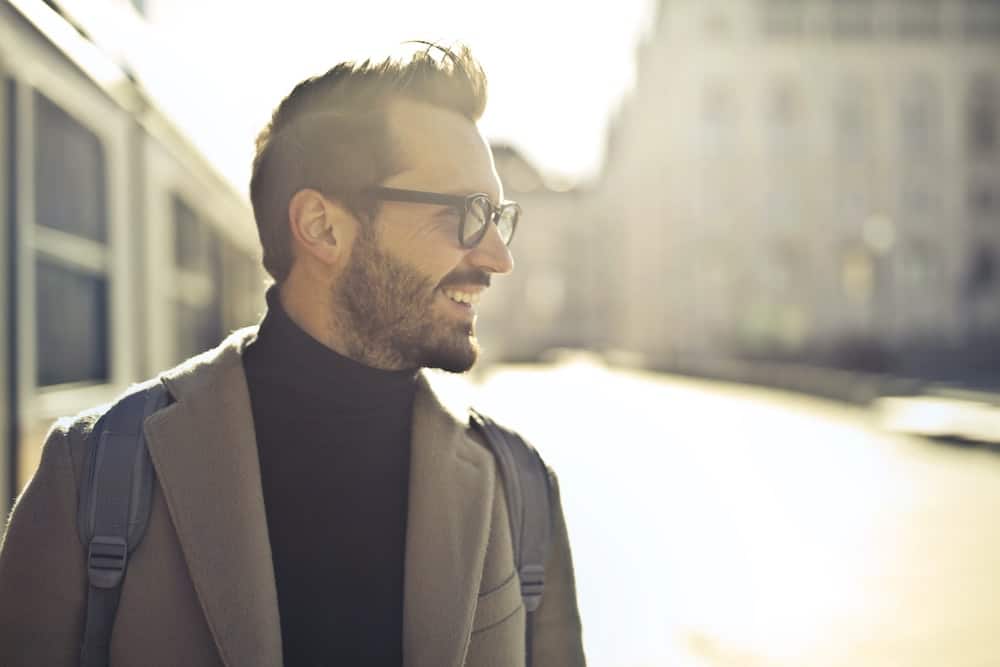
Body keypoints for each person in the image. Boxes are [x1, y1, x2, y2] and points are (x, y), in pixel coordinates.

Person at [0, 43, 585, 666]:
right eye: (468, 215)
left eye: (498, 217)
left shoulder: (520, 486)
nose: (499, 257)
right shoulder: (93, 474)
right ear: (323, 227)